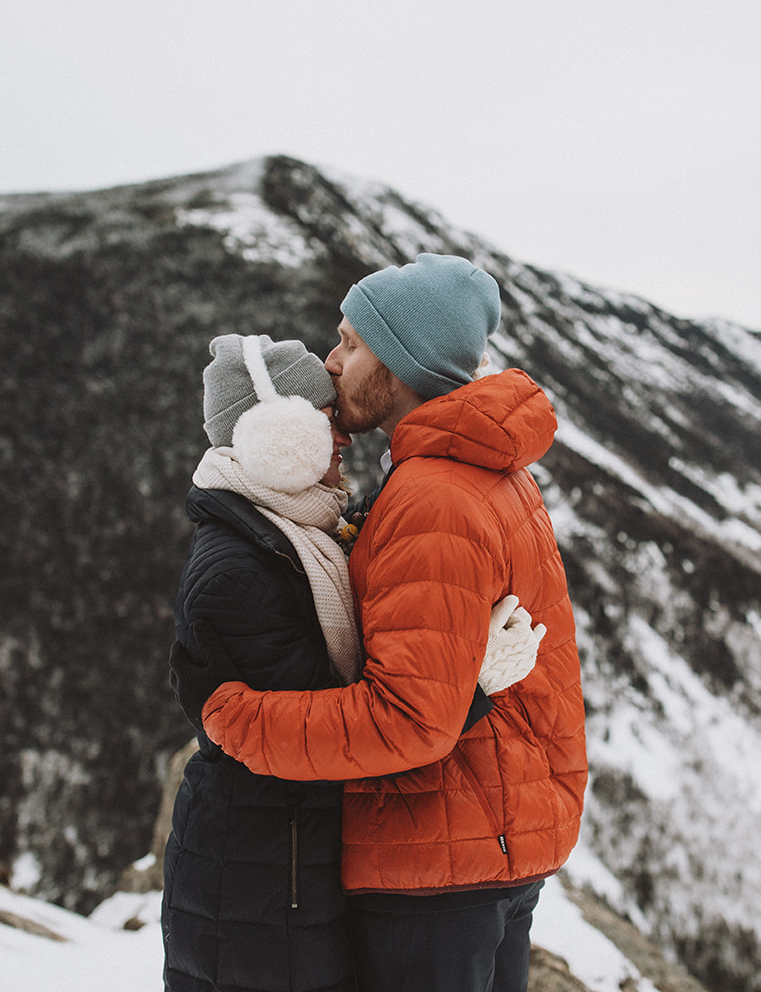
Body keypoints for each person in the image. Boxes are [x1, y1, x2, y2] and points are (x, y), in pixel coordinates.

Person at [173, 255, 588, 992]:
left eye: (350, 343)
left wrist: (238, 721)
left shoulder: (432, 496)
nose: (331, 363)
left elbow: (410, 720)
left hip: (435, 857)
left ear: (400, 362)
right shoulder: (486, 467)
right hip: (488, 839)